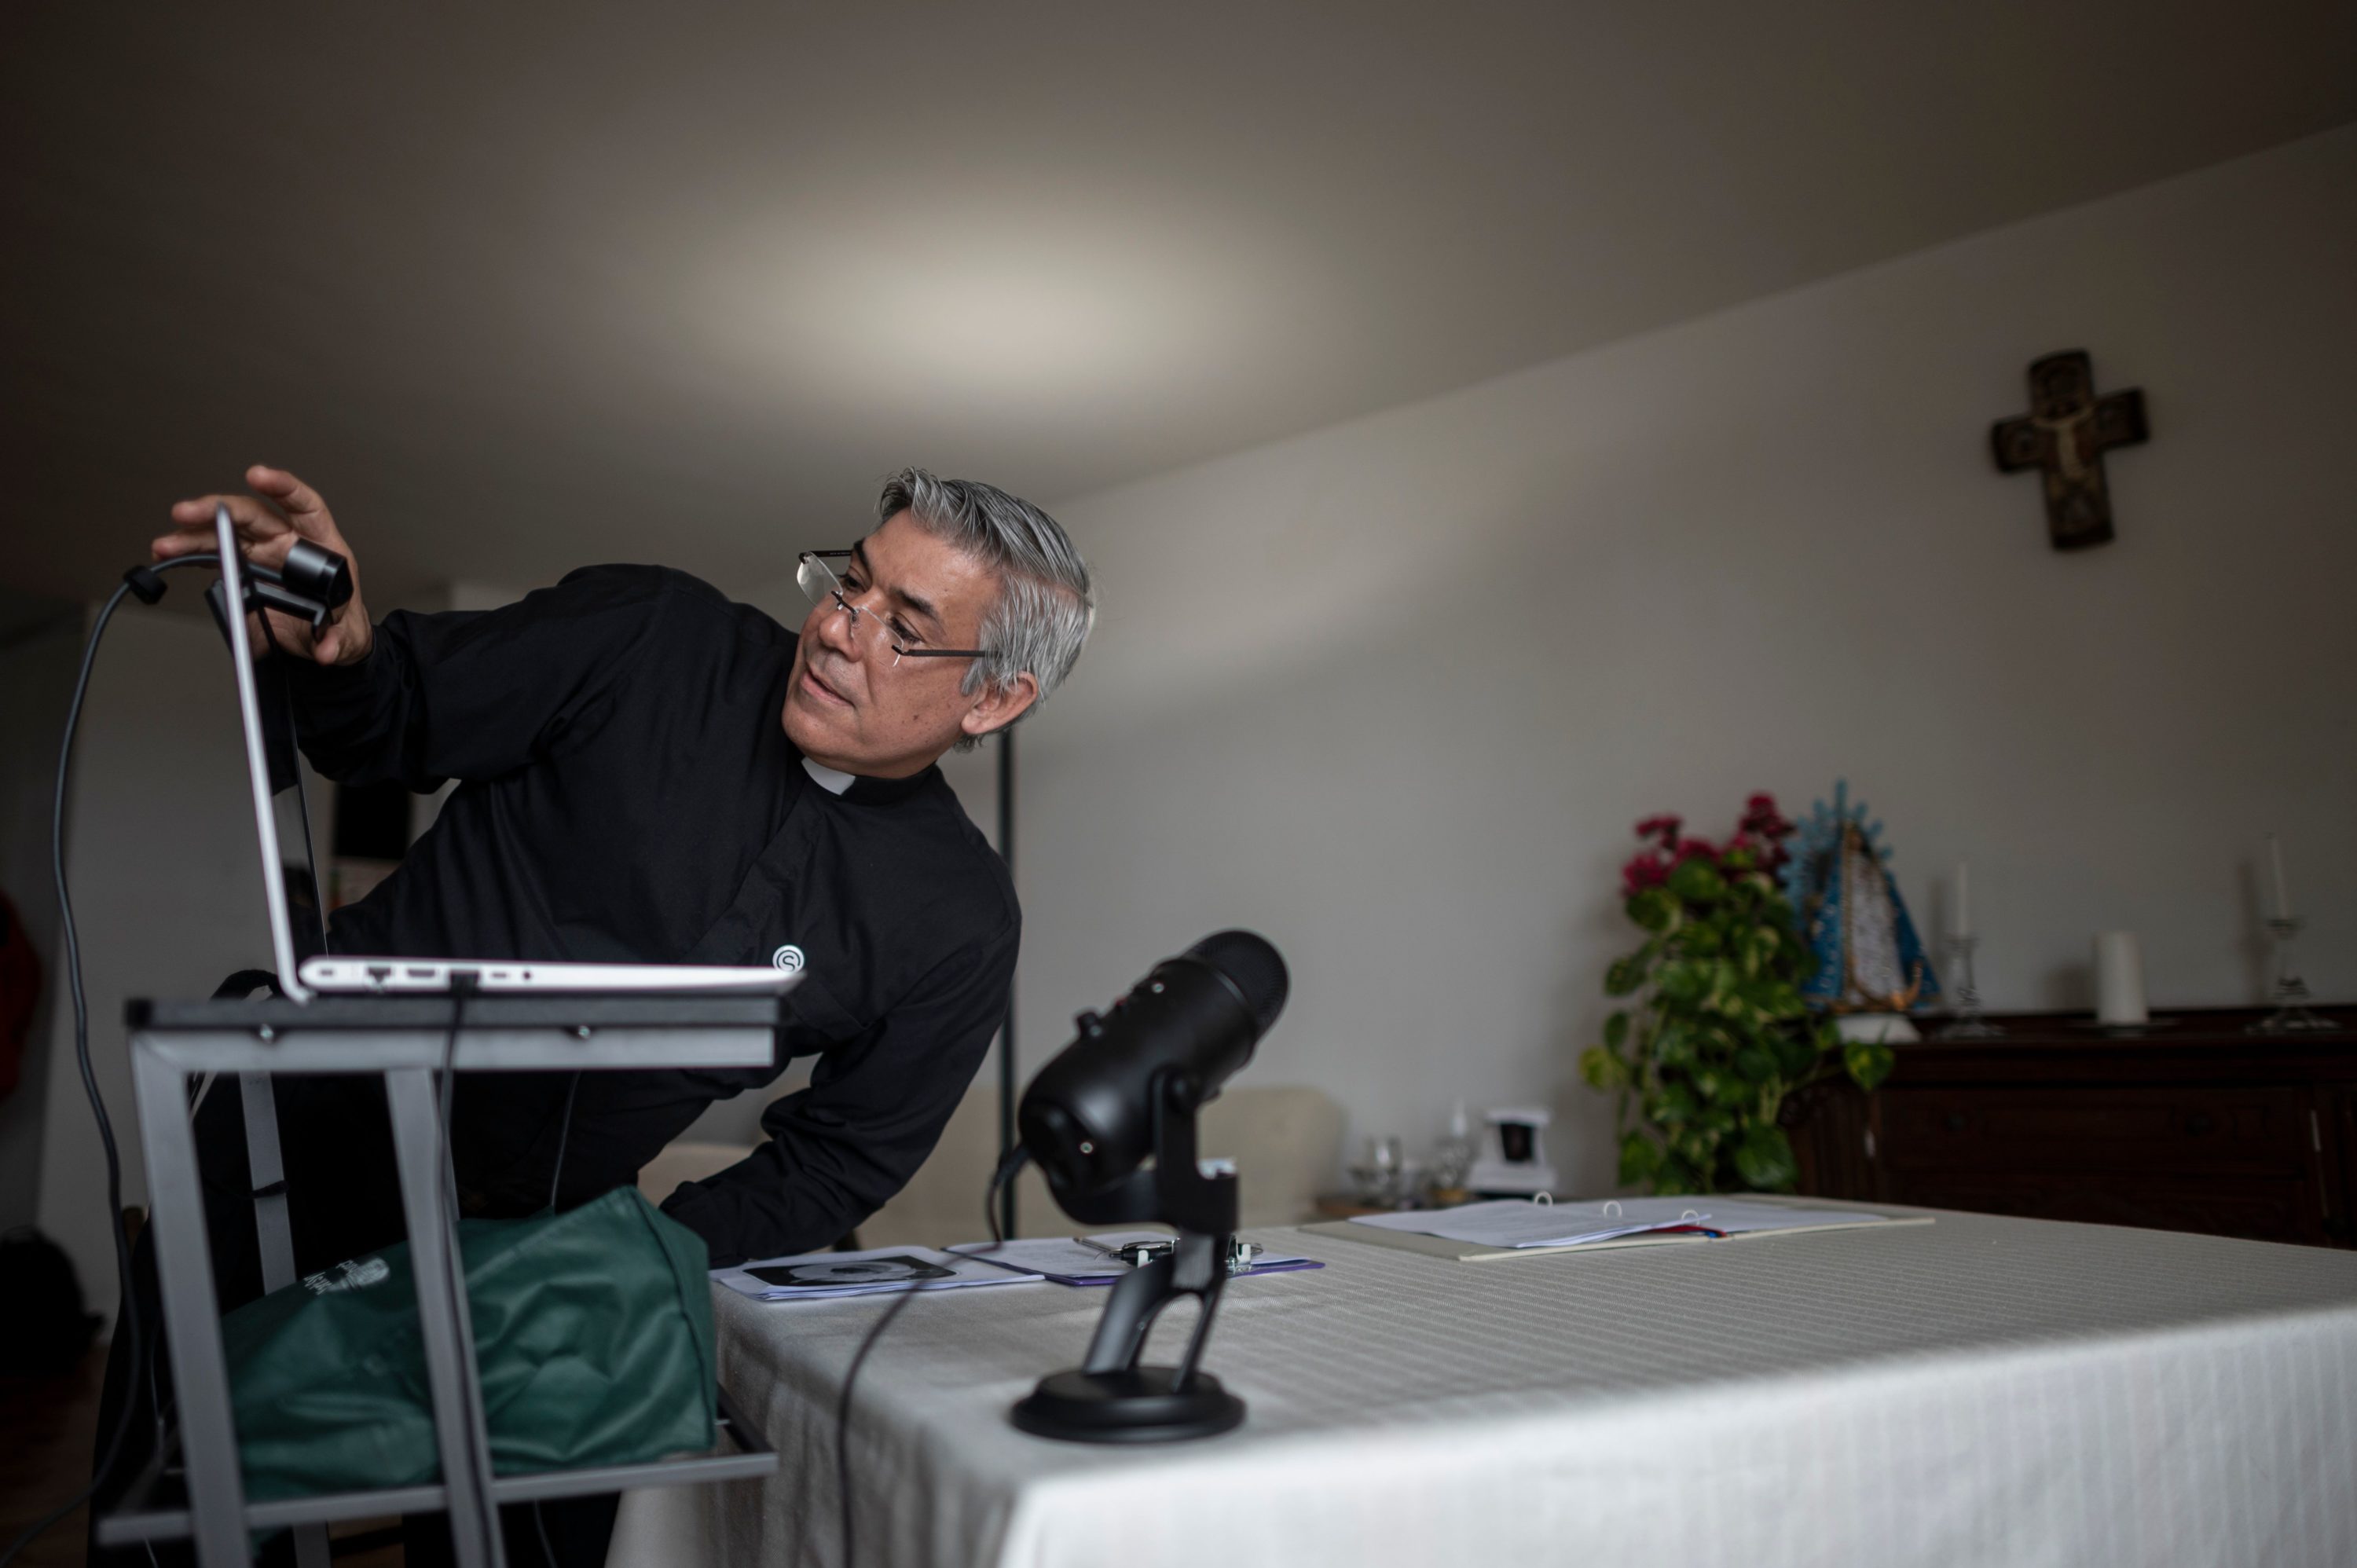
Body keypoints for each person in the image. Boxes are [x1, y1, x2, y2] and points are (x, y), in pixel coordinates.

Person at [98, 463, 1092, 1565]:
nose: (837, 629)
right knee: (187, 1497)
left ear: (994, 698)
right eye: (848, 583)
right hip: (297, 1123)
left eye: (903, 628)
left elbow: (845, 1158)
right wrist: (344, 649)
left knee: (536, 1544)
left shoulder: (959, 916)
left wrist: (643, 1255)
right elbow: (394, 714)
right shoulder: (650, 634)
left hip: (551, 1236)